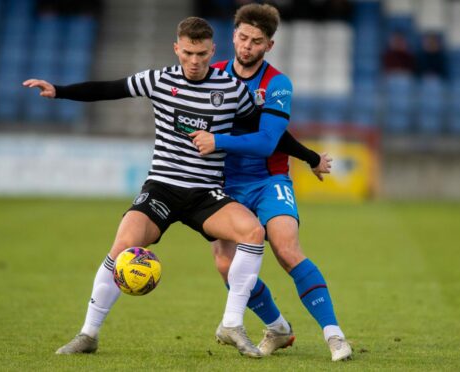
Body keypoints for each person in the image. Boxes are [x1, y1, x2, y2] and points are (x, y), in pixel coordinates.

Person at [23, 16, 291, 358]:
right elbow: (109, 89)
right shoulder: (159, 79)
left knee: (253, 232)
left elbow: (272, 135)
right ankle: (88, 334)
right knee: (122, 243)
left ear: (213, 51)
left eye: (203, 55)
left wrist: (311, 157)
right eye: (189, 53)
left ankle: (232, 324)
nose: (195, 62)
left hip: (205, 193)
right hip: (162, 188)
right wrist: (59, 90)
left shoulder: (232, 90)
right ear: (177, 48)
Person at [191, 4, 353, 361]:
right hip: (224, 184)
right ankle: (278, 328)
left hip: (269, 179)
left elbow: (269, 140)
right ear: (233, 35)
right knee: (224, 265)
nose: (248, 46)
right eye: (243, 38)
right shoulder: (211, 74)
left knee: (286, 248)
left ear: (270, 45)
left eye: (257, 41)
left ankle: (335, 335)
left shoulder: (277, 83)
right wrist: (311, 156)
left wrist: (218, 141)